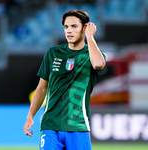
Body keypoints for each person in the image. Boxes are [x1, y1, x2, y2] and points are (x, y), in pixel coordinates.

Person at [23, 10, 106, 150]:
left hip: (78, 125)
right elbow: (42, 88)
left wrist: (90, 37)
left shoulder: (91, 55)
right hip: (50, 125)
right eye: (66, 27)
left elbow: (98, 64)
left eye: (74, 26)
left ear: (84, 28)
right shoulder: (53, 53)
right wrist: (30, 115)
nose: (69, 31)